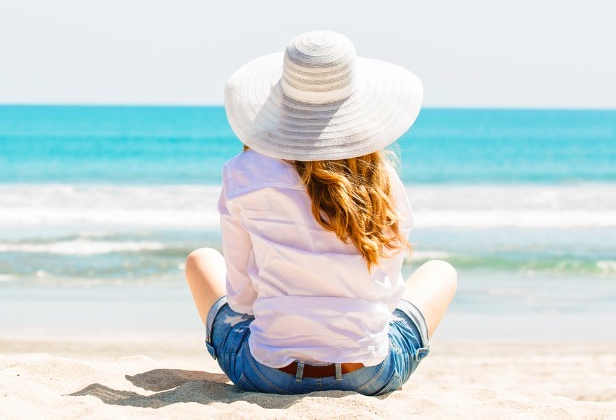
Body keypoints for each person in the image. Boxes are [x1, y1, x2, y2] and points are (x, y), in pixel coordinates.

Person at [185, 31, 457, 395]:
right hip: (368, 373)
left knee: (200, 260)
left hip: (269, 373)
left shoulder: (243, 172)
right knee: (441, 272)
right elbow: (388, 295)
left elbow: (242, 300)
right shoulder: (379, 180)